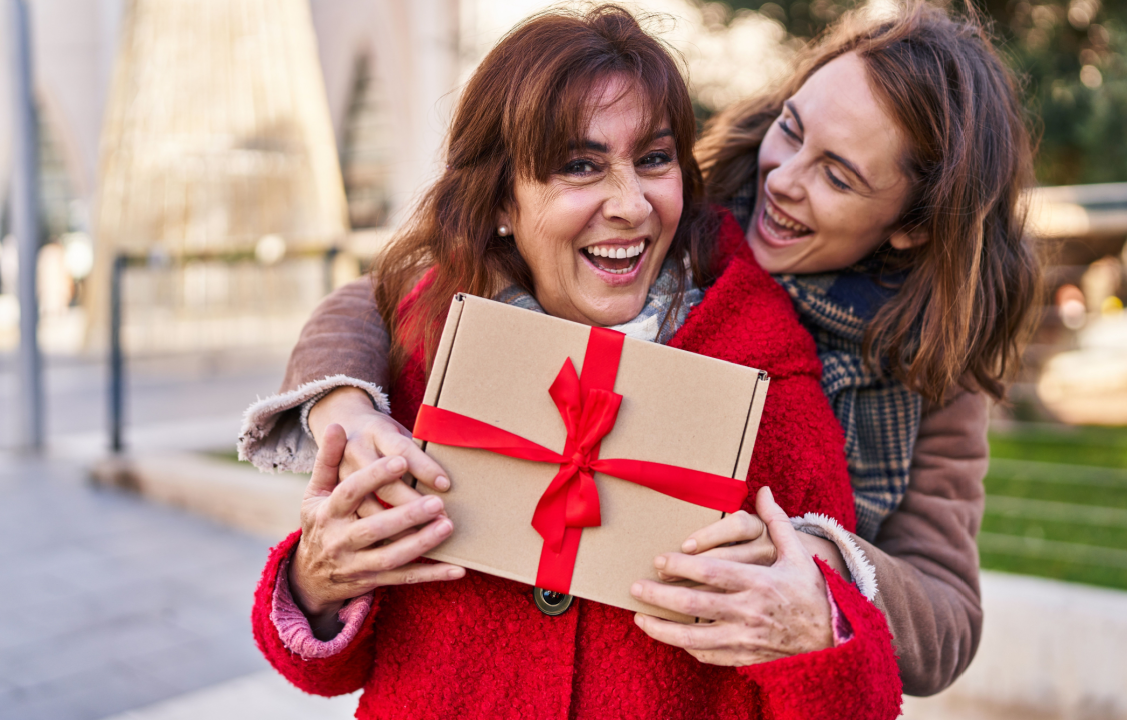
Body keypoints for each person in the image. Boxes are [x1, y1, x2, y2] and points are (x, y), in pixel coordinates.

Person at [240, 1, 1040, 697]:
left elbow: (942, 620)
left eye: (838, 176)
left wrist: (812, 568)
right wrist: (343, 403)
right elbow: (388, 296)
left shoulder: (922, 361)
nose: (782, 179)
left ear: (912, 225)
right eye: (791, 129)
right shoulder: (689, 214)